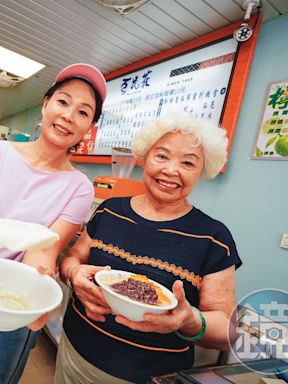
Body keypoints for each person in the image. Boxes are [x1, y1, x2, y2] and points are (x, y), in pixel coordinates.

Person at [0, 63, 107, 384]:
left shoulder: (79, 187)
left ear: (89, 128)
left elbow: (46, 249)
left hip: (13, 302)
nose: (69, 115)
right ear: (45, 105)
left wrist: (39, 286)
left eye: (84, 112)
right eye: (63, 101)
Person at [55, 115, 242, 383]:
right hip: (75, 351)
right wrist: (73, 273)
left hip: (150, 376)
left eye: (188, 162)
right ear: (145, 157)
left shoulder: (213, 238)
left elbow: (227, 331)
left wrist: (188, 320)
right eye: (162, 156)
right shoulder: (110, 211)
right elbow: (72, 258)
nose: (171, 170)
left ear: (202, 172)